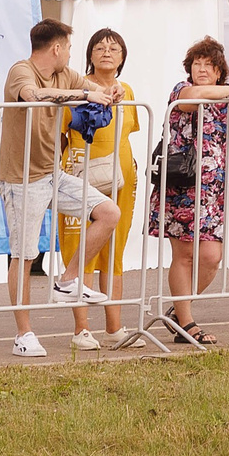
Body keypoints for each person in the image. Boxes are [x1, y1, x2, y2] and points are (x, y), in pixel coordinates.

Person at [0, 19, 122, 358]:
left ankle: (68, 279)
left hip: (54, 174)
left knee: (109, 213)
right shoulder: (21, 71)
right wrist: (86, 95)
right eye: (67, 47)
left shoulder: (65, 74)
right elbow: (33, 95)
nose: (69, 53)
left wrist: (113, 92)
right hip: (21, 179)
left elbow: (95, 86)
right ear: (56, 48)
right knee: (24, 256)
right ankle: (23, 334)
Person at [152, 36, 229, 346]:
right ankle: (187, 322)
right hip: (182, 185)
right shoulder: (183, 90)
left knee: (211, 256)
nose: (202, 69)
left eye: (209, 65)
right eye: (197, 64)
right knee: (184, 254)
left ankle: (179, 312)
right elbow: (195, 96)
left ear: (220, 72)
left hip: (213, 191)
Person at [55, 29, 143, 347]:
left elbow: (128, 132)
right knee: (80, 251)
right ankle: (81, 329)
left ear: (123, 57)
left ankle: (114, 328)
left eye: (114, 48)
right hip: (80, 176)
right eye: (100, 47)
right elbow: (60, 135)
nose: (107, 52)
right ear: (89, 54)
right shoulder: (75, 89)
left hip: (122, 179)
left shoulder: (126, 91)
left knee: (114, 253)